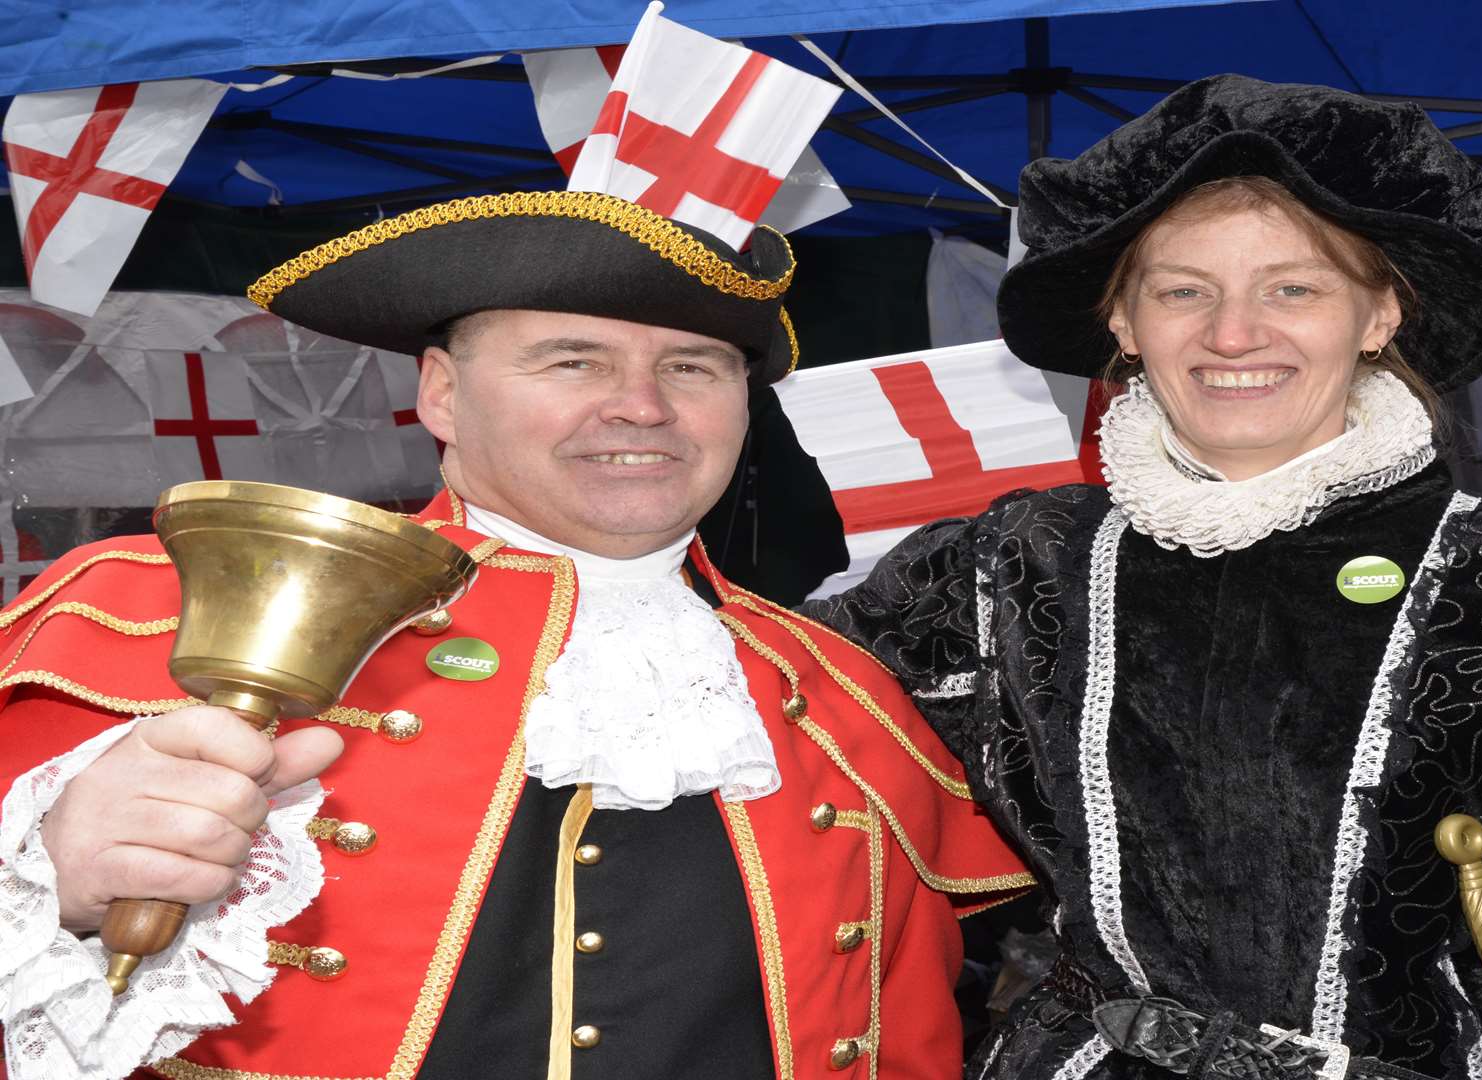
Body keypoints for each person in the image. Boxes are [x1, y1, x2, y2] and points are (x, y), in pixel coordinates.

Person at [807, 77, 1482, 1079]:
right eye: (1183, 291)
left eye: (1293, 288)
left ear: (1380, 315)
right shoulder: (1010, 568)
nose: (1233, 332)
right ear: (1122, 321)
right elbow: (798, 768)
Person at [0, 191, 1031, 1080]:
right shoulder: (169, 608)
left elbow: (909, 1034)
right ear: (441, 393)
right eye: (572, 361)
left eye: (693, 368)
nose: (641, 408)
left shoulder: (843, 690)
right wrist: (52, 888)